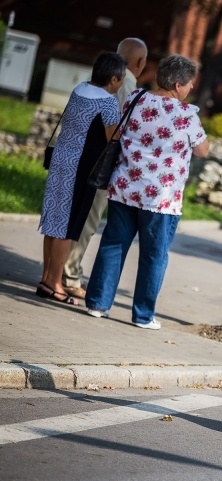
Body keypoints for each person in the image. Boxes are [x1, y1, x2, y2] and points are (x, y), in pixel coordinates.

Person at [84, 55, 210, 329]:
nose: (190, 89)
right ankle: (142, 316)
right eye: (189, 84)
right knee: (154, 255)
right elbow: (203, 150)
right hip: (161, 199)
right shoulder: (187, 114)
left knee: (113, 244)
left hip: (125, 186)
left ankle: (97, 304)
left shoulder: (136, 99)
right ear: (178, 84)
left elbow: (119, 132)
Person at [61, 38, 148, 300]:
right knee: (87, 220)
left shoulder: (98, 81)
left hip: (78, 154)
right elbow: (119, 131)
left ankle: (58, 271)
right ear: (141, 62)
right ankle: (70, 274)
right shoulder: (128, 86)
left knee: (71, 216)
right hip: (100, 162)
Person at [36, 52, 126, 305]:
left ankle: (45, 278)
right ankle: (55, 283)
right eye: (122, 79)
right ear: (113, 78)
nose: (122, 84)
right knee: (69, 227)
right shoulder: (108, 102)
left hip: (61, 160)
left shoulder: (79, 90)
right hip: (82, 169)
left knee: (53, 222)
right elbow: (113, 138)